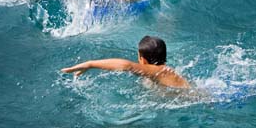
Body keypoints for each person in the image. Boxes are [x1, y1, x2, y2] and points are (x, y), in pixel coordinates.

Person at [61, 36, 189, 89]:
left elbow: (126, 66)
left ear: (142, 59)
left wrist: (90, 64)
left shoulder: (159, 71)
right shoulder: (163, 72)